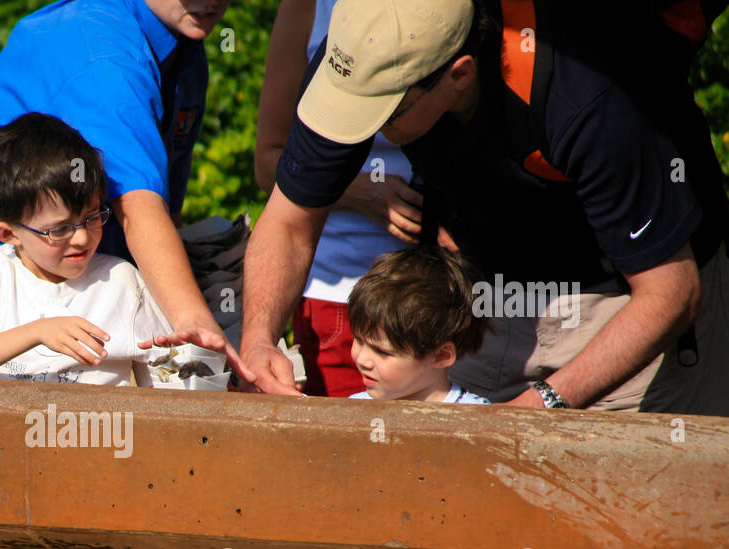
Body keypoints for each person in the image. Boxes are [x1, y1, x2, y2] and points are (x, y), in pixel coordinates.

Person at [241, 0, 729, 413]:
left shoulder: (584, 96)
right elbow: (287, 224)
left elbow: (671, 293)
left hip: (624, 304)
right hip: (485, 301)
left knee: (619, 511)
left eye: (388, 112)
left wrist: (539, 406)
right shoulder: (363, 56)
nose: (367, 130)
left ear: (459, 74)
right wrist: (259, 341)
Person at [0, 0, 247, 377]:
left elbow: (162, 208)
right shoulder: (101, 49)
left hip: (93, 283)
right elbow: (139, 209)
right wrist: (197, 328)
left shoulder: (185, 50)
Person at [0, 114, 168, 384]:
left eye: (92, 217)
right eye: (60, 229)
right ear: (8, 234)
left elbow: (167, 379)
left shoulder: (122, 281)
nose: (81, 238)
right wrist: (37, 332)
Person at [254, 0, 419, 397]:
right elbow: (268, 161)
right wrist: (358, 191)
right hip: (341, 295)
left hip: (450, 293)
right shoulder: (307, 6)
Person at [345, 246, 489, 403]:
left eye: (382, 352)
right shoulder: (354, 407)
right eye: (358, 340)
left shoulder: (474, 419)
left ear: (441, 355)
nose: (362, 360)